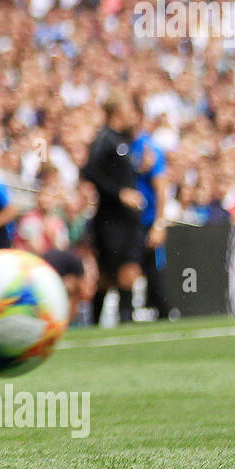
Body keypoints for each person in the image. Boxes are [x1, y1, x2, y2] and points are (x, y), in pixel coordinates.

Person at [82, 95, 146, 324]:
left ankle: (125, 321)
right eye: (129, 109)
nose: (134, 114)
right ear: (118, 111)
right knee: (109, 277)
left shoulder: (124, 141)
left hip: (128, 220)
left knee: (127, 272)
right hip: (111, 220)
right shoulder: (104, 139)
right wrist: (120, 193)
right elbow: (89, 171)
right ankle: (99, 323)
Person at [131, 107, 172, 320]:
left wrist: (159, 224)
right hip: (128, 222)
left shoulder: (149, 148)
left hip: (146, 222)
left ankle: (166, 314)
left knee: (154, 273)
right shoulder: (122, 145)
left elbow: (161, 187)